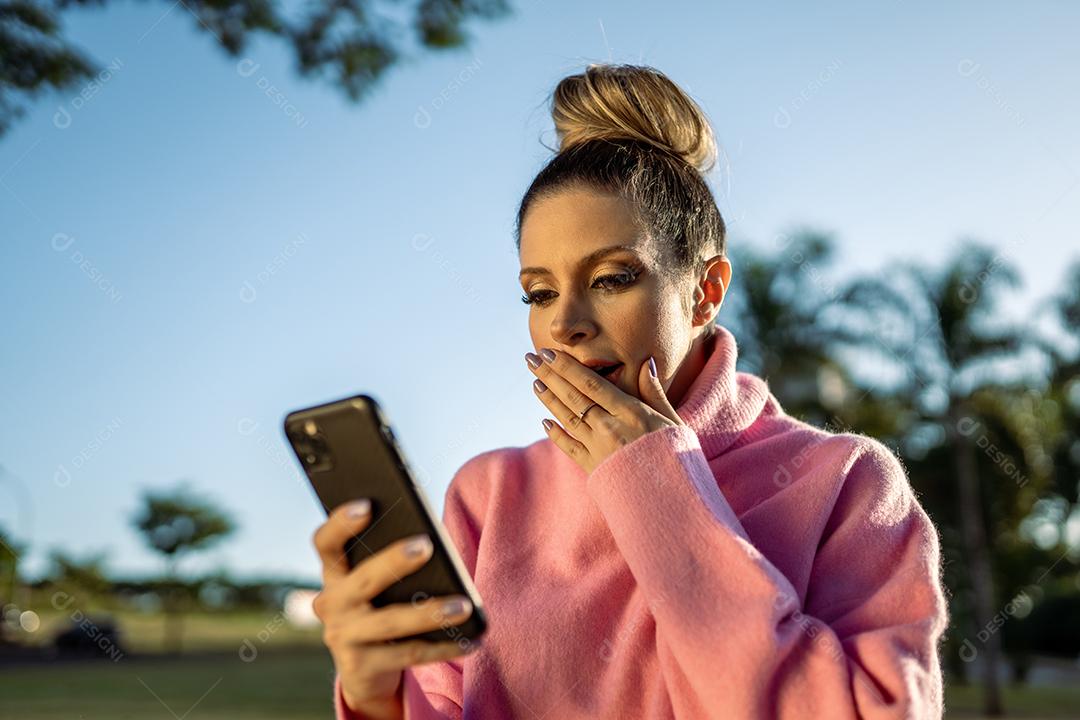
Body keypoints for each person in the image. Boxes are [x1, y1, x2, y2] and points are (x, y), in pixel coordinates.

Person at [312, 62, 950, 719]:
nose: (565, 323)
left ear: (704, 292)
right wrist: (374, 699)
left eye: (612, 277)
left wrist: (656, 482)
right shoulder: (487, 497)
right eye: (540, 292)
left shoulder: (846, 482)